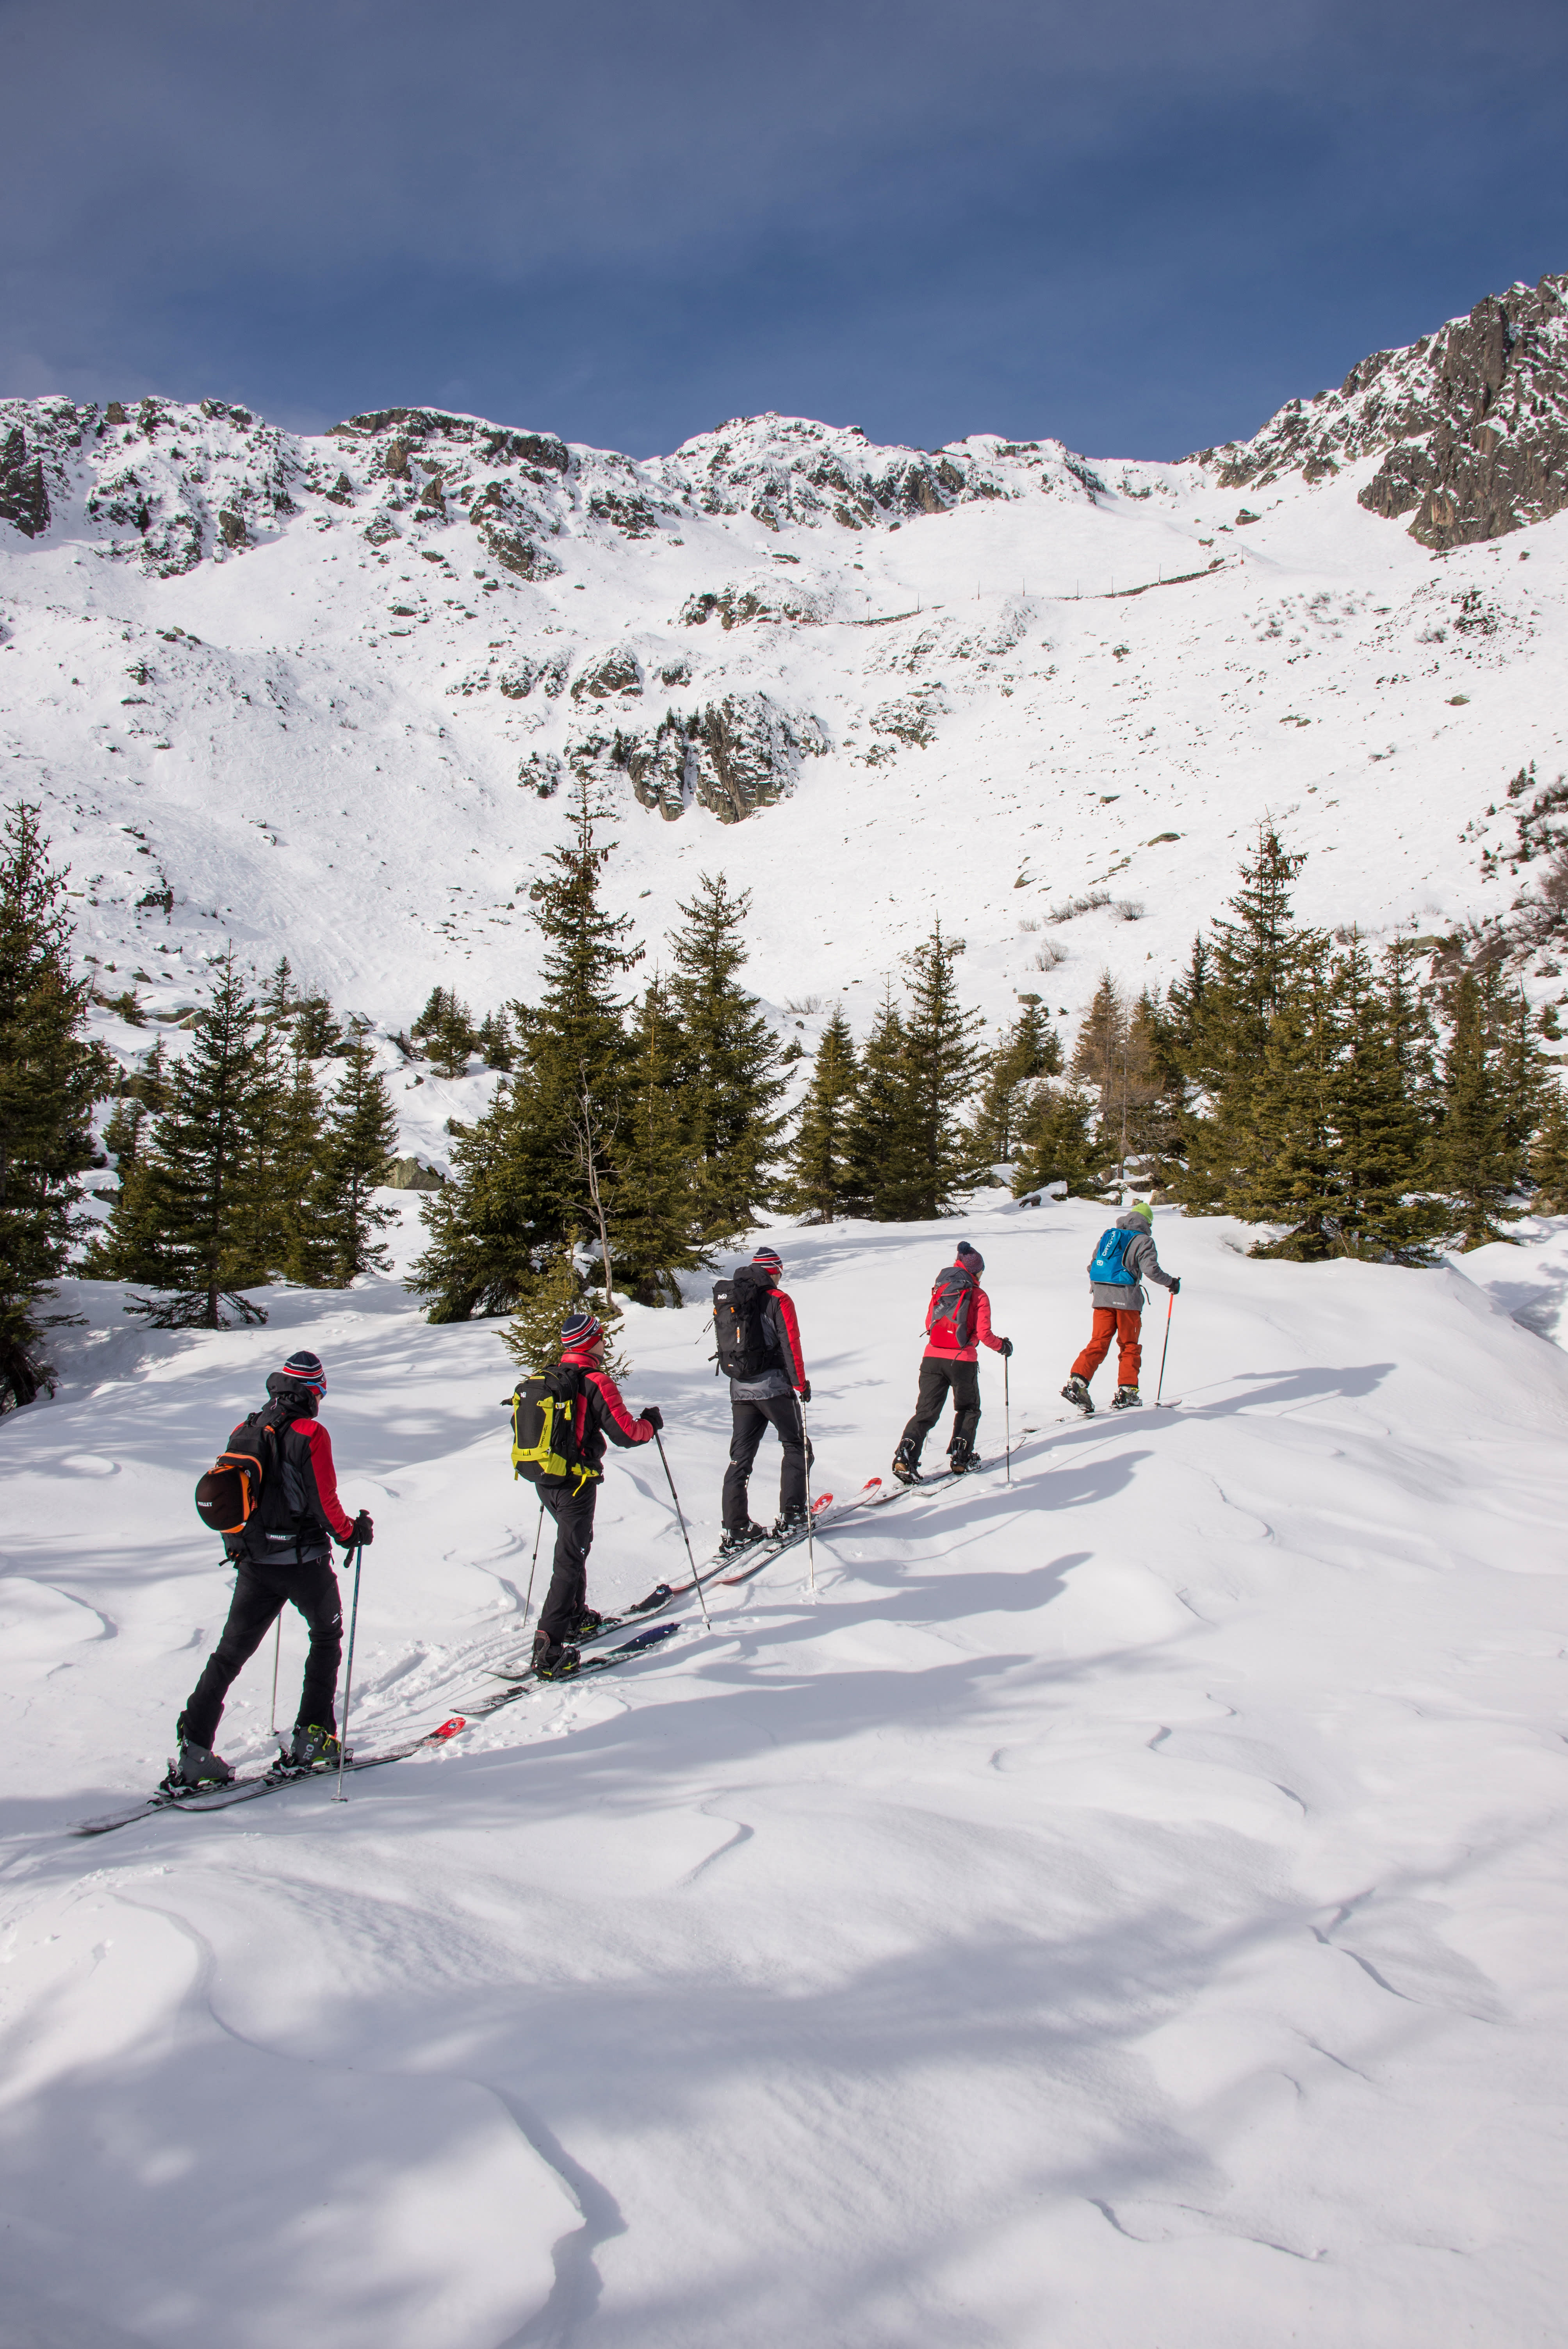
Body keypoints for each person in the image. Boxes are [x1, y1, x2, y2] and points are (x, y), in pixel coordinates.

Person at [175, 1349, 373, 1786]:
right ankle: (312, 1736)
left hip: (253, 1560)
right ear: (315, 1391)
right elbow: (325, 1502)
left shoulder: (245, 1427)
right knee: (325, 1638)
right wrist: (351, 1533)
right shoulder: (310, 1433)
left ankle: (193, 1750)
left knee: (229, 1654)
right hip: (303, 1561)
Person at [531, 1308, 662, 1680]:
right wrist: (650, 1424)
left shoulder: (547, 1378)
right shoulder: (595, 1381)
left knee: (576, 1545)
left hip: (546, 1480)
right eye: (601, 1335)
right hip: (577, 1483)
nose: (605, 1341)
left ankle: (575, 1616)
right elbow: (625, 1434)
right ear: (591, 1341)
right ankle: (549, 1645)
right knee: (570, 1557)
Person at [718, 1244, 812, 1554]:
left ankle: (736, 1527)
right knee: (796, 1445)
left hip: (740, 1389)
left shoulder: (733, 1296)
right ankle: (794, 1513)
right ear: (775, 1271)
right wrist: (800, 1383)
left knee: (740, 1459)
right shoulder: (777, 1300)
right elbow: (790, 1344)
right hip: (773, 1388)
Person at [892, 1241, 1011, 1484]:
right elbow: (985, 1334)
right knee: (968, 1409)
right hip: (962, 1360)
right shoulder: (978, 1295)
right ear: (976, 1271)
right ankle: (961, 1458)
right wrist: (1003, 1347)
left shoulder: (941, 1288)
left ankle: (905, 1456)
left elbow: (930, 1324)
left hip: (932, 1358)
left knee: (925, 1413)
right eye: (981, 1271)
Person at [1062, 1201, 1180, 1415]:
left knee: (1098, 1342)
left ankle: (1077, 1382)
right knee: (1129, 1345)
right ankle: (1127, 1392)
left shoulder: (1109, 1237)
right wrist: (1171, 1282)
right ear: (1147, 1223)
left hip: (1101, 1299)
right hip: (1127, 1301)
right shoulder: (1144, 1240)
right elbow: (1151, 1270)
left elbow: (1092, 1267)